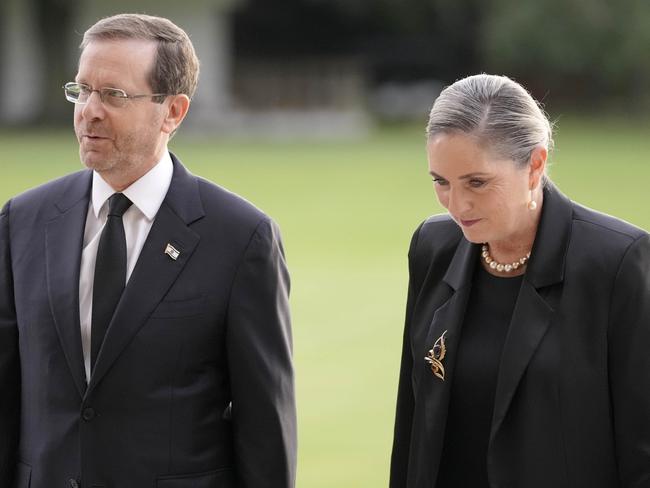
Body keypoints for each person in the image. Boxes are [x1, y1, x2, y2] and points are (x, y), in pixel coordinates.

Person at [0, 13, 296, 488]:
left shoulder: (242, 238)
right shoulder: (22, 221)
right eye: (82, 90)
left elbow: (266, 425)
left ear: (173, 111)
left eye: (113, 95)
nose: (89, 110)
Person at [389, 74, 650, 488]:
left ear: (535, 165)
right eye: (441, 182)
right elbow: (412, 424)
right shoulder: (432, 247)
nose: (457, 205)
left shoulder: (618, 262)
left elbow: (642, 449)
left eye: (477, 182)